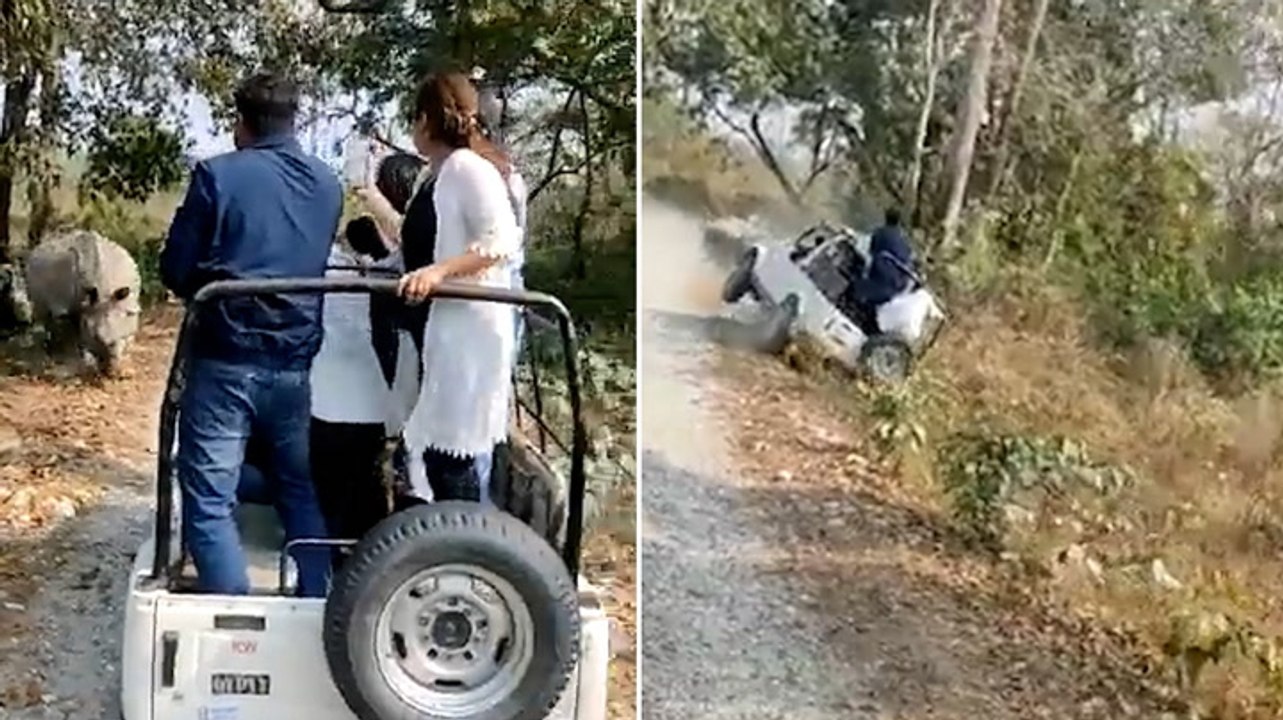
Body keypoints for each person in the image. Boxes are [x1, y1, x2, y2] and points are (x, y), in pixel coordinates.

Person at [160, 72, 341, 598]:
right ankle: (318, 603)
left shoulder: (216, 175)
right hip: (295, 363)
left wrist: (212, 279)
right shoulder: (328, 184)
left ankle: (236, 619)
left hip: (226, 359)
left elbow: (176, 269)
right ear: (293, 121)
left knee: (209, 499)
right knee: (296, 488)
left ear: (241, 122)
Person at [395, 72, 522, 502]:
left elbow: (502, 240)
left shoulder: (468, 168)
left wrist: (439, 272)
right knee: (436, 454)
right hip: (443, 329)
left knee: (454, 457)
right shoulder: (437, 174)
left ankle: (468, 534)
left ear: (426, 120)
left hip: (469, 330)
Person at [847, 208, 917, 330]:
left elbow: (870, 252)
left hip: (880, 278)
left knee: (855, 288)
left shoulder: (880, 233)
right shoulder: (904, 242)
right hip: (896, 285)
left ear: (885, 218)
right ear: (899, 223)